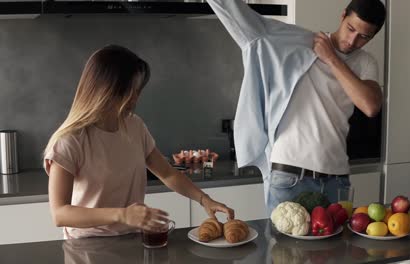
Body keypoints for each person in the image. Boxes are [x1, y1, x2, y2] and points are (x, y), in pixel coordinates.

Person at [206, 0, 386, 214]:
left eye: (364, 37)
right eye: (350, 28)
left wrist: (331, 59)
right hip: (290, 175)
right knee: (284, 248)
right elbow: (240, 17)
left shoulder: (365, 63)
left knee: (336, 248)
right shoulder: (300, 42)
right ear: (343, 15)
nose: (352, 40)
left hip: (336, 179)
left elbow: (371, 106)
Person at [44, 45, 234, 239]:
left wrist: (204, 200)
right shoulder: (70, 141)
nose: (136, 99)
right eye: (130, 91)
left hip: (133, 239)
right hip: (87, 246)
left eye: (137, 91)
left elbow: (168, 174)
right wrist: (123, 214)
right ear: (107, 90)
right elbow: (60, 214)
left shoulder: (134, 126)